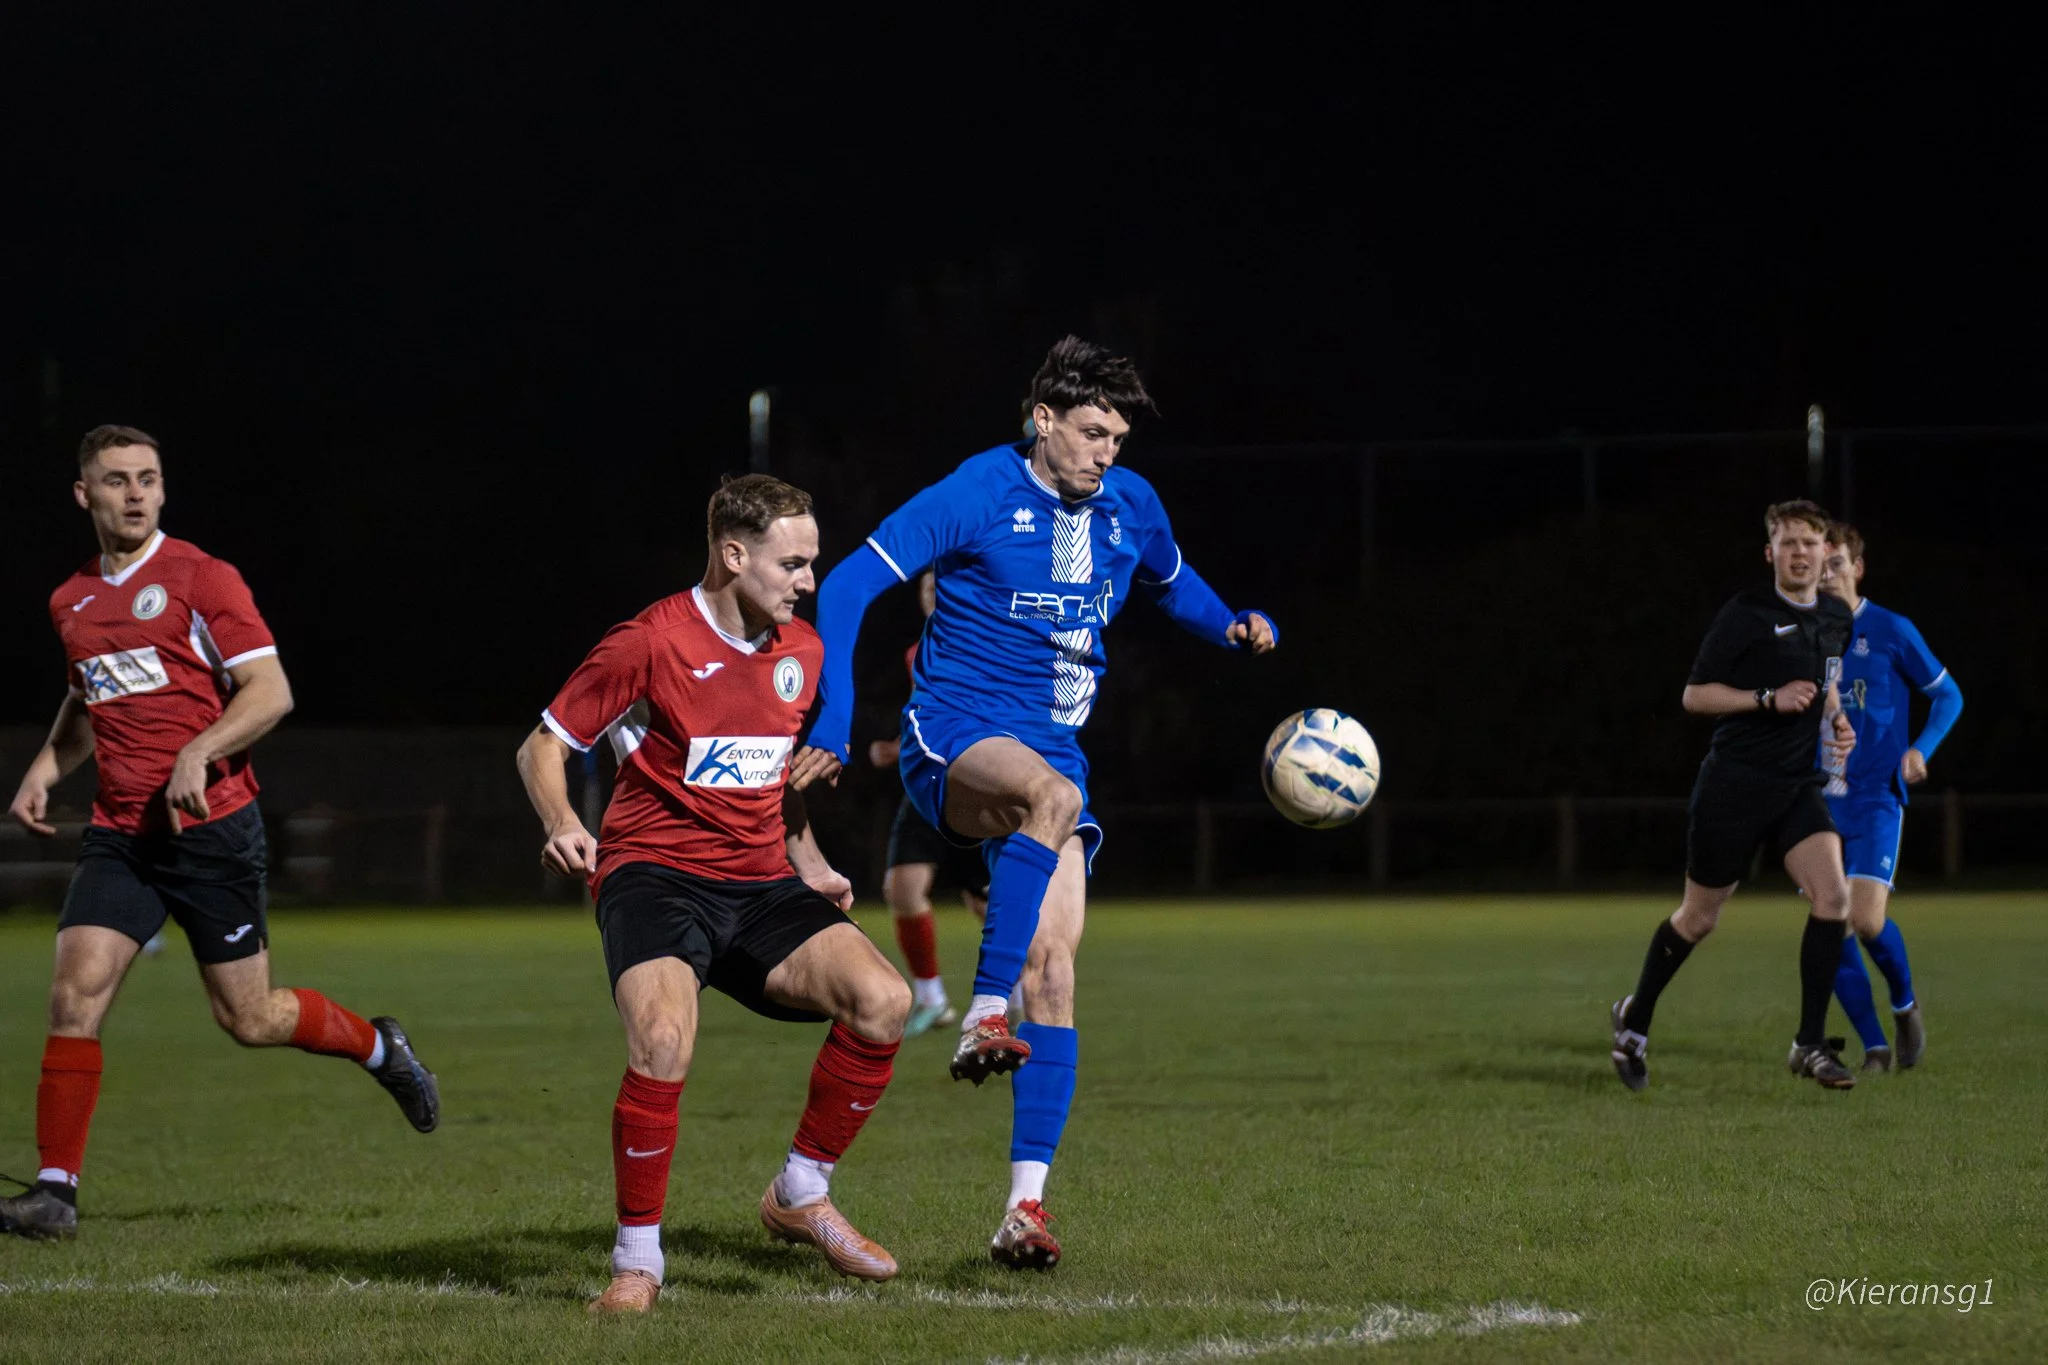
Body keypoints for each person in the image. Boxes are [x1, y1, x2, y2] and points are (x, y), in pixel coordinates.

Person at [793, 337, 1278, 1269]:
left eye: (1119, 437)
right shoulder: (977, 490)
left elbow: (1174, 588)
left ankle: (1025, 1209)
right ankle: (980, 1009)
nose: (1107, 452)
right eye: (1091, 432)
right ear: (1042, 421)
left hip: (1051, 755)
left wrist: (1233, 626)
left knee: (1054, 974)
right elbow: (851, 583)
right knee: (1050, 799)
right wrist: (840, 712)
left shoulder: (1130, 505)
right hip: (957, 734)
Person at [2, 426, 439, 1241]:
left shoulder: (202, 578)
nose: (135, 492)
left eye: (149, 478)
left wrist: (201, 748)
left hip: (212, 836)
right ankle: (54, 1195)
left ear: (163, 489)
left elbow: (270, 690)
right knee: (73, 993)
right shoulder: (72, 599)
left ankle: (380, 1047)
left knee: (249, 1018)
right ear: (83, 495)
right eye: (116, 480)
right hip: (121, 835)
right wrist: (42, 769)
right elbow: (87, 698)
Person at [515, 474, 911, 1315]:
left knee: (884, 999)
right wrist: (558, 819)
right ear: (734, 554)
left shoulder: (799, 652)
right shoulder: (648, 642)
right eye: (793, 562)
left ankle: (801, 1191)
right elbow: (540, 747)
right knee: (663, 1041)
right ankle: (637, 1263)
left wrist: (810, 861)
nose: (809, 581)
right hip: (654, 877)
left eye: (812, 562)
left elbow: (773, 780)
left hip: (760, 881)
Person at [1609, 499, 1860, 1092]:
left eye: (1810, 543)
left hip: (1797, 786)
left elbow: (1826, 682)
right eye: (1789, 543)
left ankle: (1809, 1044)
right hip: (1735, 785)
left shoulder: (1835, 617)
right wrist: (1766, 697)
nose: (1800, 552)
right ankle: (1633, 1023)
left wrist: (1836, 716)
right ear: (1770, 552)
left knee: (1834, 897)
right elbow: (1695, 697)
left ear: (1826, 553)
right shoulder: (1745, 614)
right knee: (1699, 918)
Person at [1819, 523, 1962, 1070]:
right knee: (1829, 925)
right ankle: (1875, 1046)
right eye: (1821, 563)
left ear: (1858, 568)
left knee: (1866, 920)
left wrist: (1920, 748)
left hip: (1877, 795)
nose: (1827, 573)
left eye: (1837, 563)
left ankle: (1905, 1007)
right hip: (1820, 799)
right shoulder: (1807, 636)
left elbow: (1948, 695)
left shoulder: (1889, 629)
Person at [869, 571, 991, 1037]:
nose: (933, 596)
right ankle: (932, 998)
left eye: (942, 588)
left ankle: (1019, 987)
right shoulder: (916, 652)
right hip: (926, 786)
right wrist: (897, 747)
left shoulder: (990, 642)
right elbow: (931, 719)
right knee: (901, 889)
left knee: (984, 902)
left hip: (976, 788)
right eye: (926, 590)